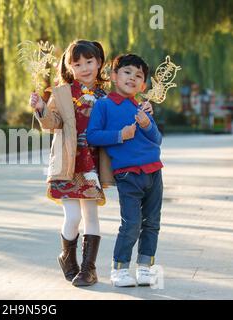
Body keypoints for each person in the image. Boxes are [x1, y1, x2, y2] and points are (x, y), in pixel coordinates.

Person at [30, 41, 153, 287]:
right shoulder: (62, 92)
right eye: (78, 64)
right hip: (68, 162)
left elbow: (124, 118)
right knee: (73, 216)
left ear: (99, 63)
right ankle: (67, 255)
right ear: (70, 67)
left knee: (91, 215)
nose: (84, 68)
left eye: (89, 62)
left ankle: (88, 269)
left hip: (93, 164)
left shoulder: (107, 97)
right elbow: (53, 122)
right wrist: (41, 108)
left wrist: (145, 110)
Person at [87, 54, 163, 287]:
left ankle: (145, 267)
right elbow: (92, 135)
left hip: (154, 171)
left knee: (152, 222)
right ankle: (119, 268)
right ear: (113, 76)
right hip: (128, 173)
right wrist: (120, 135)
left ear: (143, 85)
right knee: (131, 222)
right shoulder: (104, 105)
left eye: (138, 76)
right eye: (127, 72)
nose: (132, 78)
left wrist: (146, 123)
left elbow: (157, 139)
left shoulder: (142, 107)